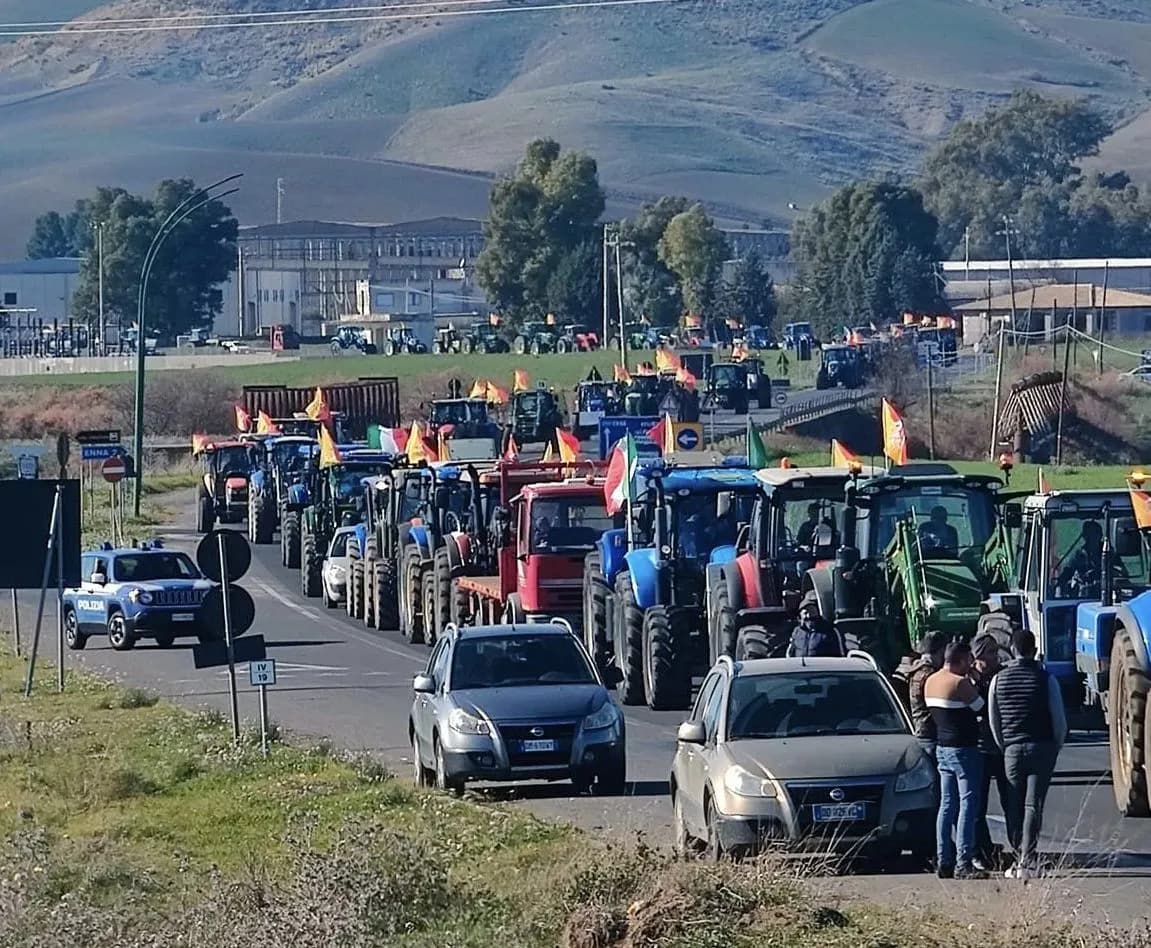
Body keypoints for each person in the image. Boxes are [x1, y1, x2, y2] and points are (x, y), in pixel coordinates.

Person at [989, 629, 1067, 880]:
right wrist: (1056, 744)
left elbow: (994, 719)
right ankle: (1029, 856)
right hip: (1042, 746)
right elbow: (1059, 719)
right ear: (1034, 650)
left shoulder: (998, 680)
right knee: (1034, 804)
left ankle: (1017, 853)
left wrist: (1005, 745)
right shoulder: (1045, 679)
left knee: (1014, 802)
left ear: (1012, 649)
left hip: (1012, 748)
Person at [926, 640, 986, 880]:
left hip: (942, 747)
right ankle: (964, 862)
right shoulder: (959, 683)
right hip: (964, 749)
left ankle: (944, 859)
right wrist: (975, 680)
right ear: (960, 661)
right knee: (968, 805)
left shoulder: (931, 681)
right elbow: (980, 707)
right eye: (968, 660)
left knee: (947, 805)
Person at [971, 634, 1010, 871]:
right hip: (979, 749)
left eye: (996, 653)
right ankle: (980, 850)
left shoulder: (1003, 676)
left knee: (1012, 801)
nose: (994, 658)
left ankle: (1019, 847)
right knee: (977, 806)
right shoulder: (968, 680)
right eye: (989, 655)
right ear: (977, 658)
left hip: (1002, 747)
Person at [901, 631, 947, 764]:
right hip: (931, 732)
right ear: (941, 651)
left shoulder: (915, 670)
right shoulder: (930, 674)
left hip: (920, 729)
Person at [1057, 520, 1104, 597]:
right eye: (1089, 535)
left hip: (1107, 596)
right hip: (1083, 597)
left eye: (1096, 534)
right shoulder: (1078, 555)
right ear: (1084, 537)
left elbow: (1121, 572)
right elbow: (1065, 576)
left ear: (1100, 536)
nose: (1093, 538)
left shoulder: (1109, 553)